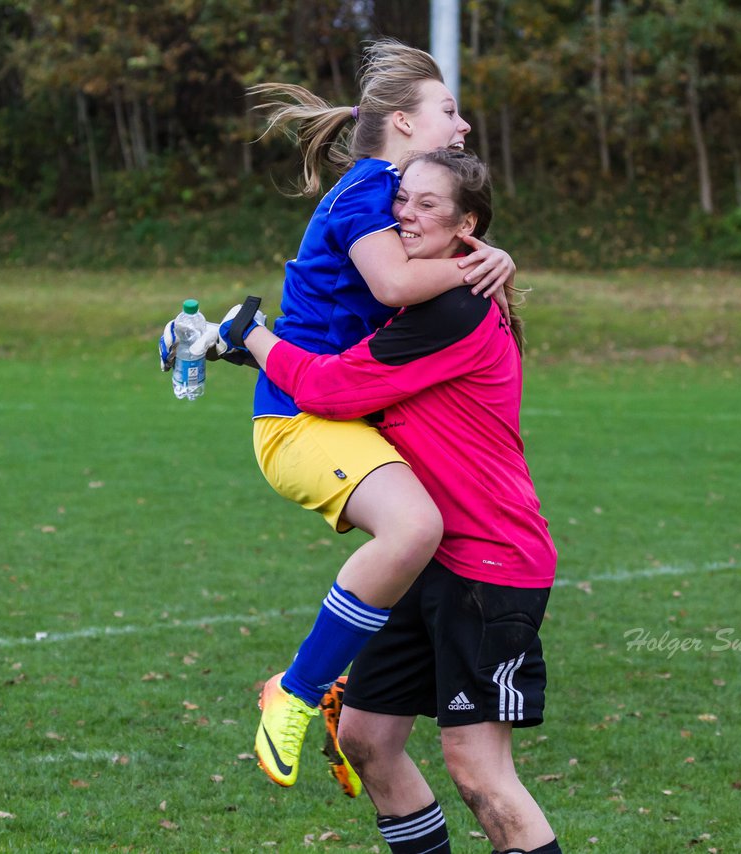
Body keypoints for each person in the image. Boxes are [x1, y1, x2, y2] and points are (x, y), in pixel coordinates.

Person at [219, 148, 560, 854]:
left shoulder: (455, 308)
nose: (403, 213)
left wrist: (251, 336)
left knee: (480, 771)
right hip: (432, 555)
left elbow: (331, 391)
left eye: (427, 205)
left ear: (467, 224)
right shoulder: (429, 297)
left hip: (491, 567)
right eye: (401, 199)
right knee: (368, 740)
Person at [236, 38, 517, 797]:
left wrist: (494, 256)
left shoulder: (392, 195)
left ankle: (337, 695)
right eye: (448, 112)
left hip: (340, 413)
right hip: (299, 415)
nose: (461, 128)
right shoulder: (368, 188)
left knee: (424, 545)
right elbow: (394, 284)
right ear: (400, 123)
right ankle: (293, 689)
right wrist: (478, 258)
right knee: (416, 529)